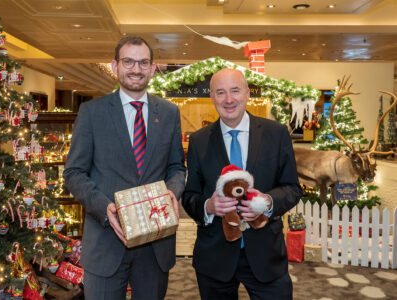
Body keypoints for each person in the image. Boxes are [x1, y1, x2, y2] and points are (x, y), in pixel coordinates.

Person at [63, 36, 186, 300]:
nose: (136, 69)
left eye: (143, 62)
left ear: (153, 68)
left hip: (155, 246)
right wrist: (104, 208)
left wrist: (172, 193)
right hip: (107, 241)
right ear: (114, 65)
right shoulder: (91, 113)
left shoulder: (169, 113)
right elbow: (73, 173)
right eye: (128, 61)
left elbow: (177, 168)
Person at [182, 68, 302, 300]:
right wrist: (208, 207)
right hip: (214, 259)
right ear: (212, 98)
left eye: (235, 91)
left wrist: (267, 202)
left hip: (266, 256)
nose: (228, 99)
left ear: (247, 93)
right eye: (221, 92)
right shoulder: (198, 141)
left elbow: (292, 188)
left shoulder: (276, 134)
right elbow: (190, 195)